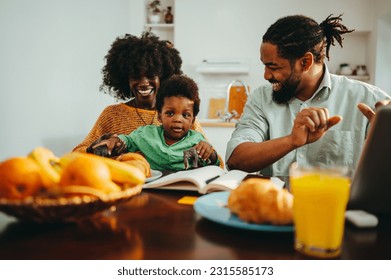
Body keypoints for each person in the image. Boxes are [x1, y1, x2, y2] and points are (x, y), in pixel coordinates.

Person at [226, 14, 390, 177]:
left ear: (305, 62)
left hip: (340, 203)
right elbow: (236, 159)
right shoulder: (261, 98)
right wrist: (292, 141)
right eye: (265, 65)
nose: (266, 75)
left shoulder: (369, 100)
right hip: (277, 203)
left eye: (273, 67)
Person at [72, 32, 207, 155]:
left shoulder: (181, 114)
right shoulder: (112, 115)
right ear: (126, 79)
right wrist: (99, 149)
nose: (143, 83)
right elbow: (78, 153)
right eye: (136, 76)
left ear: (162, 77)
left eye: (151, 75)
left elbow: (212, 158)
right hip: (126, 179)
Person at [87, 75, 220, 171]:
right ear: (159, 116)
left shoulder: (196, 139)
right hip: (154, 187)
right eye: (170, 113)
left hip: (187, 189)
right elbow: (127, 140)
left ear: (193, 120)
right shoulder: (146, 134)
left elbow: (214, 165)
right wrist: (114, 141)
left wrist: (211, 153)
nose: (178, 119)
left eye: (185, 115)